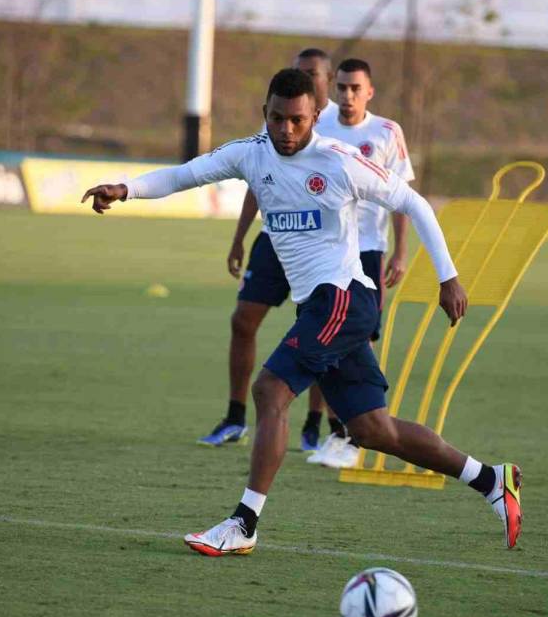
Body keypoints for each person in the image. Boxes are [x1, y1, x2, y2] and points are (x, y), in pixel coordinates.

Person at [82, 68, 523, 554]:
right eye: (277, 119)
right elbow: (183, 174)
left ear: (316, 115)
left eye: (297, 120)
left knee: (270, 390)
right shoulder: (250, 153)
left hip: (343, 300)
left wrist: (448, 277)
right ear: (264, 114)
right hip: (318, 307)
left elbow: (415, 202)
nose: (286, 130)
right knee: (373, 430)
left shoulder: (340, 160)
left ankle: (244, 523)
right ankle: (490, 479)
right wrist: (125, 188)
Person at [199, 47, 339, 449]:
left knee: (321, 334)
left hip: (319, 247)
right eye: (299, 71)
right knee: (242, 320)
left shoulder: (336, 131)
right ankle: (234, 418)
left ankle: (314, 425)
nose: (304, 77)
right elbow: (258, 178)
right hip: (275, 238)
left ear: (326, 79)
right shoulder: (279, 123)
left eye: (312, 72)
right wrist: (240, 237)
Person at [307, 57, 415, 468]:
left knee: (360, 342)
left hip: (369, 250)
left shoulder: (387, 132)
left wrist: (400, 252)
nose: (348, 95)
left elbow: (402, 197)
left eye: (357, 88)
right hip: (328, 251)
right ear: (334, 89)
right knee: (323, 337)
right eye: (343, 88)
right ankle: (340, 434)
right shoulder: (320, 126)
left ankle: (355, 436)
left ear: (370, 91)